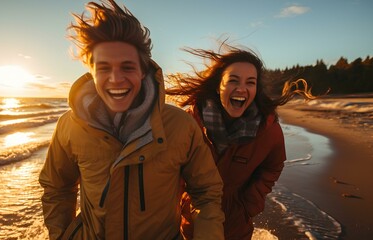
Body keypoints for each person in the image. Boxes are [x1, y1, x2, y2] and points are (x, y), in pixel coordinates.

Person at [38, 1, 225, 239]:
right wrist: (61, 235)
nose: (116, 79)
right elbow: (57, 188)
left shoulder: (180, 125)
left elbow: (207, 192)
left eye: (127, 67)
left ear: (143, 70)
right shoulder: (69, 126)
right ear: (91, 72)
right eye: (104, 68)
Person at [166, 43, 316, 240]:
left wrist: (249, 203)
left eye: (250, 82)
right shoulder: (189, 123)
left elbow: (273, 166)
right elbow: (171, 170)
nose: (242, 89)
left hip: (237, 220)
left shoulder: (268, 130)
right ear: (218, 84)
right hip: (191, 218)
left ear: (256, 89)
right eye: (233, 80)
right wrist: (177, 205)